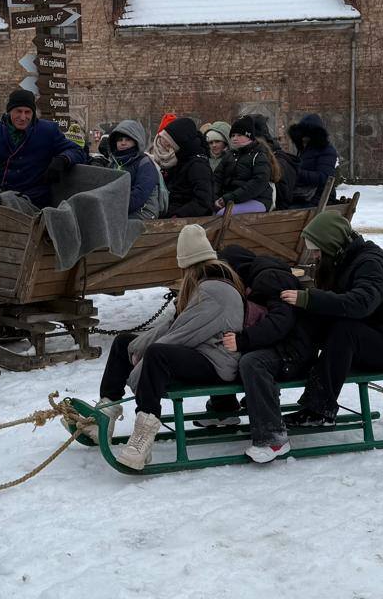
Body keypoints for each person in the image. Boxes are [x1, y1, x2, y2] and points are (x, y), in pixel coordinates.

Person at [91, 225, 245, 469]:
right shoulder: (203, 286)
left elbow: (181, 336)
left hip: (218, 364)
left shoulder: (213, 291)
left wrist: (141, 364)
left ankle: (143, 439)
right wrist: (135, 348)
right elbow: (172, 326)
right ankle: (104, 416)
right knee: (123, 343)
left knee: (157, 354)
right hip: (199, 352)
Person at [281, 212, 383, 427]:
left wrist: (310, 298)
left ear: (331, 245)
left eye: (317, 251)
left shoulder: (371, 263)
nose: (314, 257)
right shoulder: (343, 259)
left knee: (345, 330)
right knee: (310, 317)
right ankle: (284, 366)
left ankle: (319, 410)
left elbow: (361, 304)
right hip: (364, 335)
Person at [219, 253, 319, 463]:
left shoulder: (270, 279)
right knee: (224, 354)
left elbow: (280, 322)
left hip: (294, 353)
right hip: (285, 348)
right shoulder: (260, 277)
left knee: (253, 362)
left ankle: (273, 438)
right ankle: (223, 409)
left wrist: (243, 340)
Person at [0, 88, 86, 207]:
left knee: (8, 205)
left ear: (33, 113)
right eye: (18, 111)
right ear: (10, 111)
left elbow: (77, 151)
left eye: (28, 112)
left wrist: (63, 159)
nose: (23, 117)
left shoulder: (47, 131)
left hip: (31, 199)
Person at [215, 118, 276, 214]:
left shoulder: (258, 156)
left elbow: (258, 183)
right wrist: (215, 198)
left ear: (249, 136)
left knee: (222, 215)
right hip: (230, 200)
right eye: (233, 135)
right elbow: (217, 178)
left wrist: (230, 198)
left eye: (239, 135)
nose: (235, 138)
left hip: (257, 199)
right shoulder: (229, 155)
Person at [157, 117, 215, 218]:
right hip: (169, 212)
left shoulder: (197, 165)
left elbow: (203, 201)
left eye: (169, 146)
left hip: (184, 219)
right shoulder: (180, 160)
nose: (166, 149)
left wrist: (178, 215)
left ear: (178, 143)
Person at [105, 119, 162, 218]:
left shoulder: (145, 163)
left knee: (111, 222)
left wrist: (114, 208)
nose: (123, 143)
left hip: (144, 210)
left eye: (128, 139)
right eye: (120, 140)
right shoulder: (114, 163)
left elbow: (140, 194)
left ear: (136, 141)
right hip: (121, 208)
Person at [286, 114, 338, 206]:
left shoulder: (327, 151)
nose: (303, 139)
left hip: (321, 198)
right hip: (304, 194)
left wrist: (296, 172)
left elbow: (325, 177)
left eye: (306, 135)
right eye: (302, 135)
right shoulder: (304, 150)